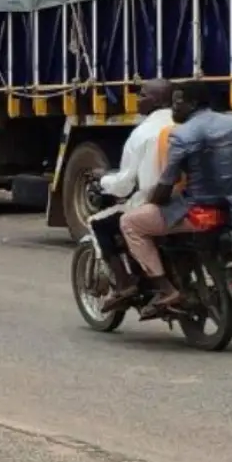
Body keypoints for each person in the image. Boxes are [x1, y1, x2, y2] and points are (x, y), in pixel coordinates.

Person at [121, 81, 232, 312]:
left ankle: (165, 288)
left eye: (177, 103)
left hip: (198, 210)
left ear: (193, 104)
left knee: (130, 222)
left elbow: (166, 182)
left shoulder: (182, 134)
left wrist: (153, 201)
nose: (173, 109)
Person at [86, 79, 174, 312]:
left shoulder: (142, 133)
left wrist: (103, 180)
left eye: (143, 95)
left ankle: (125, 284)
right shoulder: (185, 124)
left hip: (152, 203)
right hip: (185, 200)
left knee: (98, 223)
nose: (137, 99)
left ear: (158, 101)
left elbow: (125, 185)